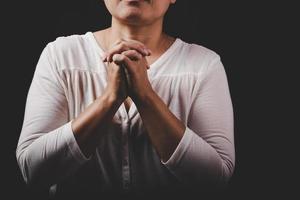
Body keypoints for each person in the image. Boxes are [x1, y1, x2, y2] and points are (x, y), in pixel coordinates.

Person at [16, 0, 235, 198]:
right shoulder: (60, 56)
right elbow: (32, 171)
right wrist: (110, 99)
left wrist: (145, 95)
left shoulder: (204, 65)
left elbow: (216, 180)